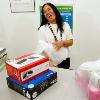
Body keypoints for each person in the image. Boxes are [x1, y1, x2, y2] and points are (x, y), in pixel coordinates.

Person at [36, 3, 73, 69]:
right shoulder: (42, 29)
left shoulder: (65, 25)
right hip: (50, 62)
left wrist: (62, 43)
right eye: (45, 12)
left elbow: (71, 41)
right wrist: (49, 63)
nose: (47, 12)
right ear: (44, 15)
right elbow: (42, 49)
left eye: (49, 9)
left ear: (54, 10)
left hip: (65, 60)